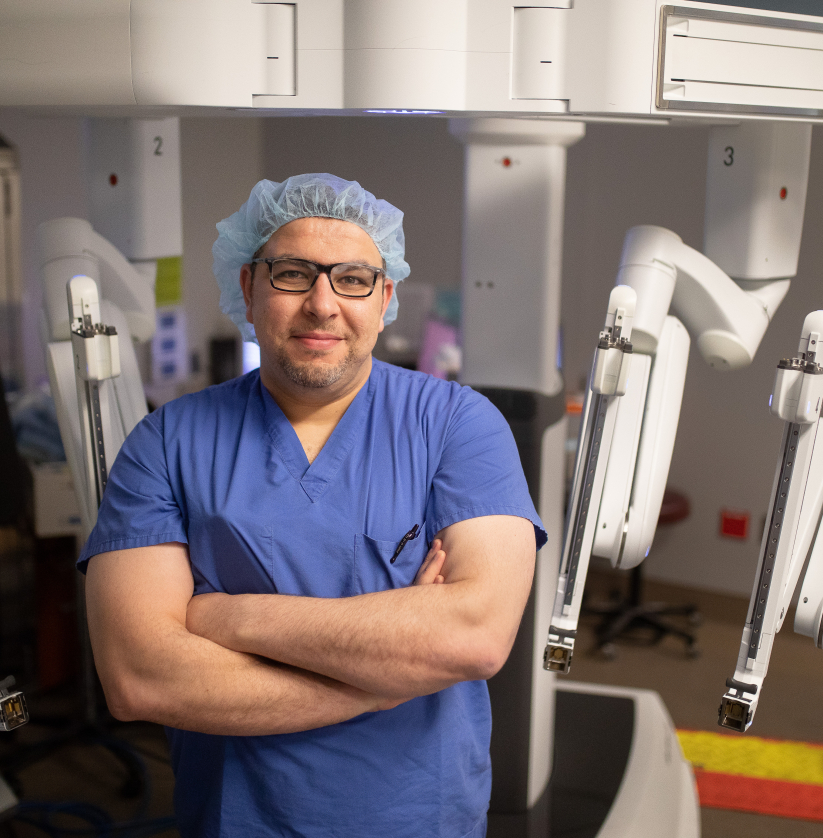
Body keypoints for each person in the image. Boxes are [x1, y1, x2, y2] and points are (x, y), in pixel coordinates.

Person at [80, 174, 547, 838]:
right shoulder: (167, 442)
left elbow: (474, 636)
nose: (323, 305)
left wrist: (229, 617)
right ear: (249, 287)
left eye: (353, 279)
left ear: (384, 299)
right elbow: (140, 678)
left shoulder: (456, 425)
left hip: (419, 817)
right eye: (294, 274)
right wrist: (382, 685)